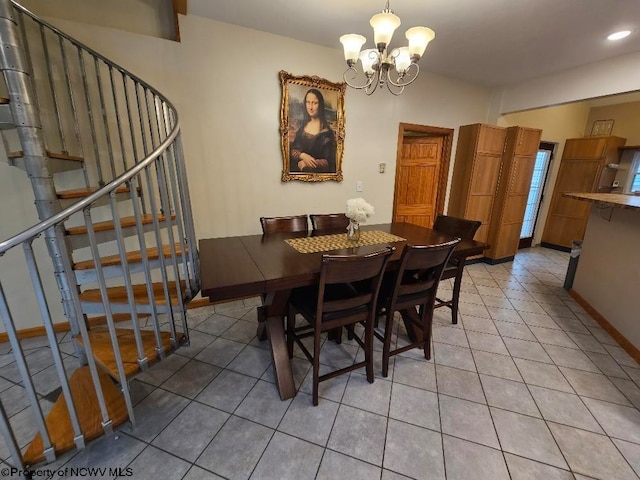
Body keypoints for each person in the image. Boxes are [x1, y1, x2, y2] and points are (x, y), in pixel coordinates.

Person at [289, 89, 336, 173]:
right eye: (308, 102)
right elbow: (293, 150)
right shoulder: (302, 127)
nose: (310, 107)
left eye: (315, 103)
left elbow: (329, 162)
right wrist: (302, 155)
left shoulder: (327, 133)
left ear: (320, 105)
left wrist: (308, 163)